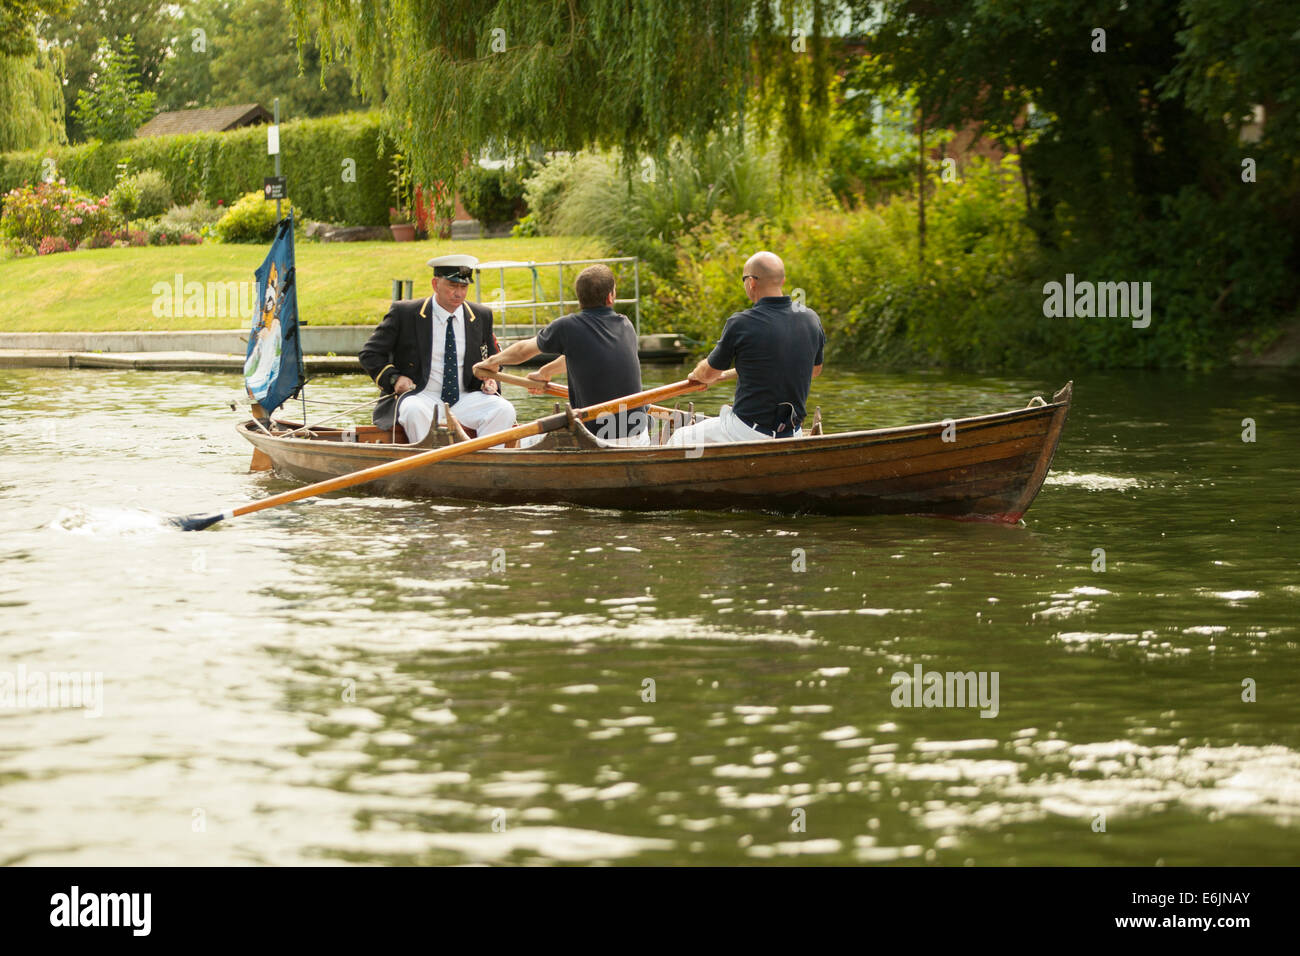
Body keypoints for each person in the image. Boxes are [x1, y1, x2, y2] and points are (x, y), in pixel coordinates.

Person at [472, 264, 650, 444]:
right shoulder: (626, 325)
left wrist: (491, 362)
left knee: (519, 441)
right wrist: (545, 373)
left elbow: (523, 351)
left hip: (595, 439)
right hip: (638, 435)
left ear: (579, 298)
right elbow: (582, 354)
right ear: (610, 297)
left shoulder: (568, 327)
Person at [667, 251, 824, 446]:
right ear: (782, 281)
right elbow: (814, 371)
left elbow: (707, 374)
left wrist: (698, 374)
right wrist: (727, 375)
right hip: (793, 433)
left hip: (747, 431)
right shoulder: (811, 318)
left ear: (751, 282)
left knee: (680, 437)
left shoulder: (741, 323)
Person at [359, 253, 516, 444]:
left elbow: (494, 359)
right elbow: (370, 354)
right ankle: (429, 465)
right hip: (421, 395)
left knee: (504, 410)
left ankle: (487, 466)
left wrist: (491, 378)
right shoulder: (405, 313)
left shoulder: (481, 315)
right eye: (453, 286)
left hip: (466, 397)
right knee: (413, 411)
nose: (459, 293)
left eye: (464, 286)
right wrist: (394, 378)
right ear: (435, 284)